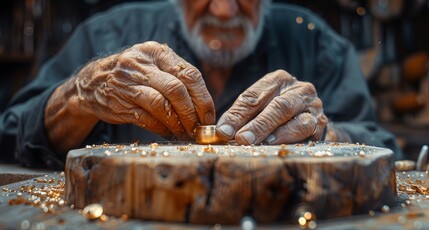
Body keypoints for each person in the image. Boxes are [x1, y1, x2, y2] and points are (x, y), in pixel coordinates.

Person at [0, 0, 401, 169]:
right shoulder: (110, 33)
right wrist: (80, 94)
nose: (224, 10)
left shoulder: (312, 39)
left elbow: (382, 145)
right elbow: (12, 131)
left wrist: (326, 132)